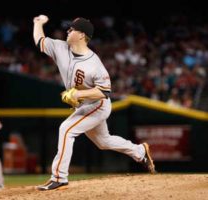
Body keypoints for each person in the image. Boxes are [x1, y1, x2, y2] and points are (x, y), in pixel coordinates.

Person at [33, 15, 156, 191]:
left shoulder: (94, 63)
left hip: (97, 105)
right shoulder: (60, 47)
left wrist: (79, 94)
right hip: (83, 105)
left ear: (82, 35)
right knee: (103, 142)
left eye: (72, 29)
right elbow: (40, 41)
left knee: (66, 129)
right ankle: (140, 151)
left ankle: (59, 177)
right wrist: (38, 23)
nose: (68, 31)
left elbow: (104, 92)